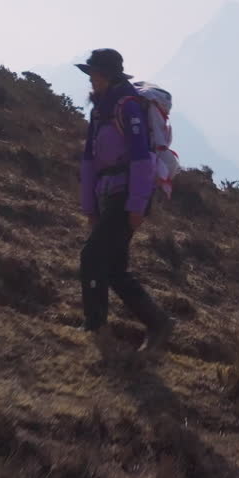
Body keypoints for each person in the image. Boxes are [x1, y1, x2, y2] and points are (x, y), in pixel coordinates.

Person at [76, 48, 174, 356]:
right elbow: (90, 160)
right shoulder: (100, 110)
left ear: (107, 76)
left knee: (92, 257)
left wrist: (137, 205)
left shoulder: (127, 108)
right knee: (115, 269)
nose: (91, 79)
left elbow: (141, 160)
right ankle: (158, 323)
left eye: (95, 73)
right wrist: (89, 206)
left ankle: (95, 327)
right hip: (108, 194)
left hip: (125, 195)